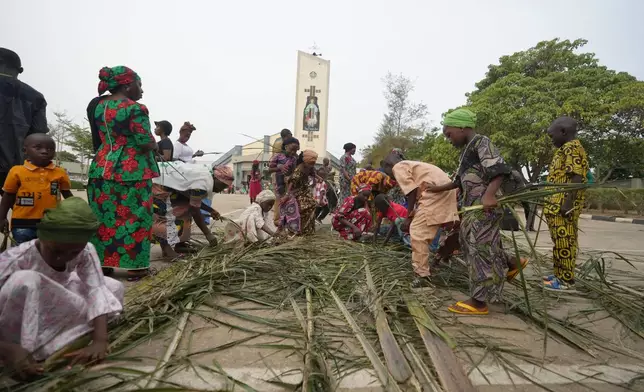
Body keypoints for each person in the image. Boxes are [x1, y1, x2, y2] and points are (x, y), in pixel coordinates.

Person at [0, 197, 124, 378]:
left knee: (114, 287)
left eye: (73, 252)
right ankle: (23, 352)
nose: (63, 258)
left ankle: (55, 341)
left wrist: (100, 340)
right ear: (42, 237)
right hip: (17, 322)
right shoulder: (15, 259)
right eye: (55, 251)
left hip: (50, 305)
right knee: (27, 279)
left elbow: (96, 289)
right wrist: (7, 348)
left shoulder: (85, 250)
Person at [431, 108, 526, 315]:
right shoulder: (468, 150)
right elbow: (458, 181)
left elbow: (498, 169)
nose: (449, 139)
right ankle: (510, 264)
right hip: (472, 207)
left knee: (478, 249)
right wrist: (434, 189)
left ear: (462, 127)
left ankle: (478, 302)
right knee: (476, 244)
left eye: (449, 134)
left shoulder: (482, 142)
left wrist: (489, 195)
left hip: (483, 207)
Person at [85, 66, 160, 279]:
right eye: (139, 85)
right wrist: (154, 146)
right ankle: (136, 267)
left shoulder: (99, 106)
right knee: (136, 217)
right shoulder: (135, 108)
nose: (142, 90)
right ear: (128, 85)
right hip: (132, 170)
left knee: (103, 217)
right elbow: (144, 142)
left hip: (101, 167)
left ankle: (103, 265)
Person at [382, 150, 461, 288]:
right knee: (446, 228)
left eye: (388, 173)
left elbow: (412, 191)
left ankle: (422, 276)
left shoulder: (398, 167)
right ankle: (441, 257)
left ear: (388, 165)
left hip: (436, 192)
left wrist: (408, 218)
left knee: (418, 232)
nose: (391, 177)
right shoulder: (412, 165)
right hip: (446, 190)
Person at [0, 134, 73, 244]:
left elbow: (67, 194)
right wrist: (2, 217)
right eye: (38, 147)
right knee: (22, 256)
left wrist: (79, 213)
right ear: (25, 150)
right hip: (22, 224)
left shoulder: (60, 173)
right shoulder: (17, 171)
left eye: (50, 149)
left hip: (51, 225)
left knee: (48, 257)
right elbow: (8, 196)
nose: (45, 151)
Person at [543, 116, 589, 291]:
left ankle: (566, 280)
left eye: (552, 135)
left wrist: (568, 202)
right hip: (556, 205)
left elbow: (576, 176)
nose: (551, 139)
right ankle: (559, 274)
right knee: (559, 241)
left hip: (563, 206)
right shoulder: (564, 149)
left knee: (566, 241)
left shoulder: (572, 148)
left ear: (563, 132)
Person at [152, 165, 231, 259]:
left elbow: (193, 200)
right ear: (216, 178)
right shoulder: (202, 183)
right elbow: (195, 211)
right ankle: (167, 251)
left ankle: (179, 244)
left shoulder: (205, 178)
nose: (221, 189)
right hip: (159, 184)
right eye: (222, 185)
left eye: (225, 187)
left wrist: (210, 210)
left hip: (169, 187)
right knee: (165, 216)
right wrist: (208, 234)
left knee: (184, 209)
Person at [0, 48, 49, 195]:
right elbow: (39, 135)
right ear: (19, 70)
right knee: (21, 212)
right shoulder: (36, 97)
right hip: (14, 167)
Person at [280, 150, 318, 235]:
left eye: (313, 163)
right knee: (304, 208)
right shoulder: (299, 169)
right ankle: (298, 229)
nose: (312, 165)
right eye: (311, 163)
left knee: (313, 204)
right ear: (305, 161)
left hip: (305, 190)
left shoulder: (310, 167)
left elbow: (313, 174)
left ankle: (307, 230)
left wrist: (316, 179)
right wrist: (286, 195)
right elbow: (292, 182)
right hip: (296, 192)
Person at [269, 137, 300, 225]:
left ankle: (289, 224)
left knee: (289, 203)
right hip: (279, 184)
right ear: (286, 147)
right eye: (292, 149)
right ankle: (279, 223)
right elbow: (269, 169)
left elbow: (294, 171)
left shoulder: (294, 159)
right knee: (281, 203)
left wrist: (291, 176)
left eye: (295, 150)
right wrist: (279, 167)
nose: (293, 152)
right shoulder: (278, 156)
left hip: (290, 184)